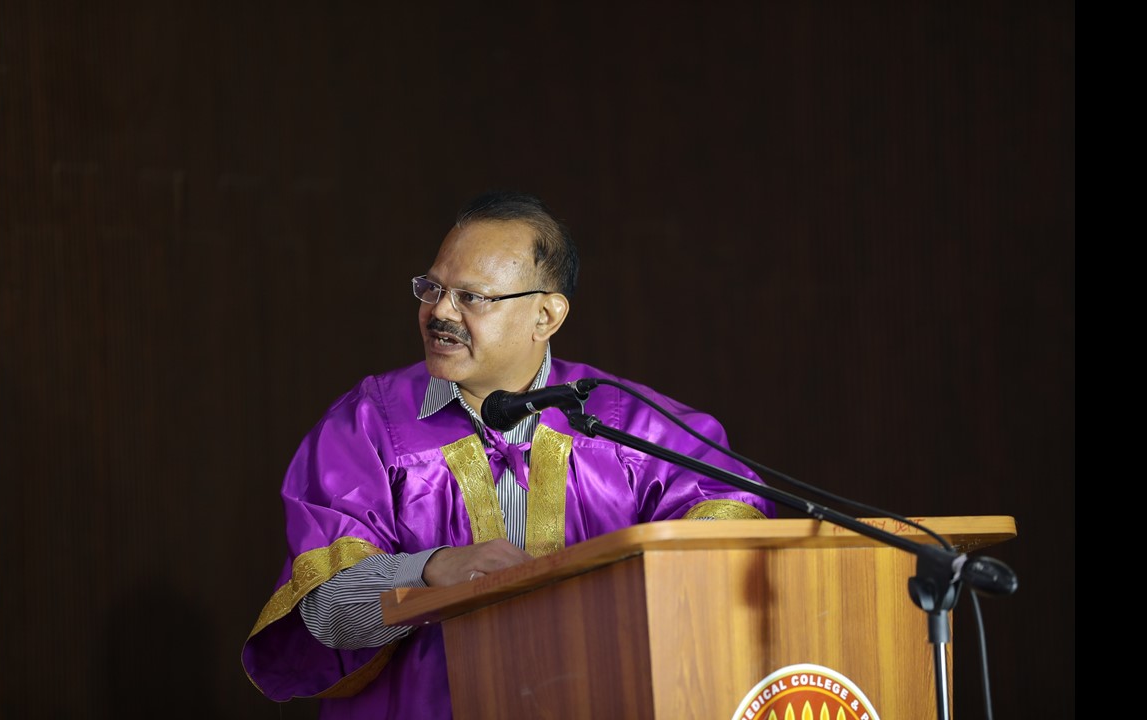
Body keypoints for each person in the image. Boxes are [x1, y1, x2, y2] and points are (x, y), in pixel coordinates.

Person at [240, 190, 776, 718]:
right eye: (432, 288)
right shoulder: (367, 426)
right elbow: (326, 612)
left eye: (471, 297)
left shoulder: (628, 426)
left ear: (545, 316)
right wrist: (430, 569)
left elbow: (730, 525)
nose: (439, 312)